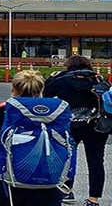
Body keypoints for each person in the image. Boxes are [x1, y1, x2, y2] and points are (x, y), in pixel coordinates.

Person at [0, 70, 65, 206]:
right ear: (41, 89)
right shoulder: (57, 112)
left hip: (4, 181)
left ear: (13, 88)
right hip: (48, 179)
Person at [43, 56, 108, 206]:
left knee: (66, 157)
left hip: (69, 124)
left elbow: (44, 92)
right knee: (96, 161)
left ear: (69, 66)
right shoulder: (98, 80)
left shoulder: (61, 79)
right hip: (96, 125)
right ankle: (93, 199)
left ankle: (67, 190)